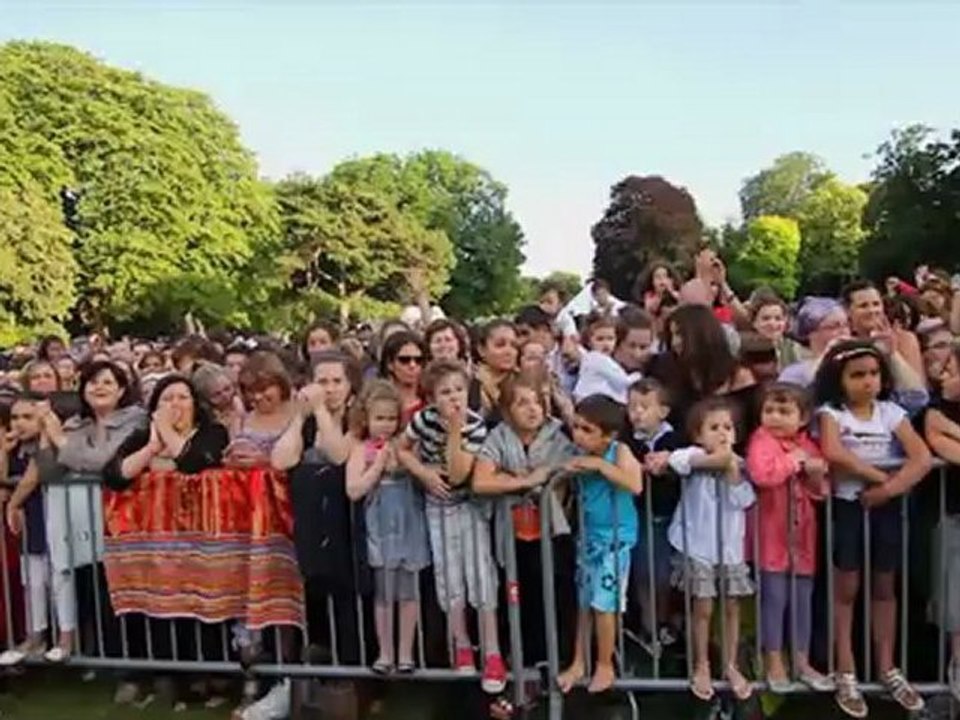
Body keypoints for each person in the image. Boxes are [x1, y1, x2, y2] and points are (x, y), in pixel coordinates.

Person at [815, 340, 931, 716]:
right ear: (840, 379)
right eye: (857, 375)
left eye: (873, 374)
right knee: (845, 587)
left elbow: (921, 457)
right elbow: (834, 452)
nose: (867, 382)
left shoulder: (891, 412)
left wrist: (888, 489)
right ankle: (845, 667)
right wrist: (874, 475)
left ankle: (887, 666)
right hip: (848, 506)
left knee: (884, 585)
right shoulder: (831, 413)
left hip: (885, 507)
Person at [102, 375, 229, 710]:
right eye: (167, 398)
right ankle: (171, 678)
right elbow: (115, 475)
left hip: (204, 537)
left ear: (195, 403)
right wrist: (151, 450)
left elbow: (194, 461)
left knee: (203, 605)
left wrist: (170, 445)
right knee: (163, 608)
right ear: (155, 407)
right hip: (157, 541)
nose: (176, 404)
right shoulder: (143, 435)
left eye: (183, 397)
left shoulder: (213, 433)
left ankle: (210, 678)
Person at [398, 360, 505, 694]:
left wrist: (456, 431)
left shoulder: (474, 425)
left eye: (459, 390)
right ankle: (461, 644)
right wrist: (422, 471)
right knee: (449, 579)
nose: (454, 398)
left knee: (480, 578)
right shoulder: (423, 420)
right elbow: (401, 448)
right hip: (437, 508)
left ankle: (492, 652)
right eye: (445, 393)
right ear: (431, 399)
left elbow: (459, 473)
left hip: (468, 507)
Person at [474, 374, 577, 670]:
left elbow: (566, 474)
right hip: (513, 533)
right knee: (520, 597)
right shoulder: (499, 437)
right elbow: (482, 482)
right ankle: (525, 663)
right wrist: (528, 480)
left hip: (553, 530)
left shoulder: (558, 434)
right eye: (522, 403)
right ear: (506, 411)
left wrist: (511, 477)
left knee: (556, 594)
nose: (532, 409)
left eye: (536, 402)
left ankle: (559, 660)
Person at [667, 397, 755, 702]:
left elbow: (744, 501)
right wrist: (722, 460)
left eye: (728, 427)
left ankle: (730, 664)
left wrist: (732, 470)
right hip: (697, 545)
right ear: (697, 434)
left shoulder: (741, 465)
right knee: (702, 606)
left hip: (730, 547)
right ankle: (701, 663)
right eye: (714, 427)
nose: (722, 433)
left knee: (731, 606)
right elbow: (677, 462)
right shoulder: (691, 454)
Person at [745, 383, 832, 693]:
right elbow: (762, 474)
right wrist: (794, 461)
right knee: (774, 600)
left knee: (801, 601)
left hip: (802, 538)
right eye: (769, 411)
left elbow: (821, 492)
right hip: (771, 537)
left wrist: (816, 475)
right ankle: (773, 661)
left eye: (785, 412)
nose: (775, 417)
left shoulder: (808, 444)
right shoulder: (761, 440)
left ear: (803, 417)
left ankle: (801, 660)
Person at [557, 394, 643, 695]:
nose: (578, 434)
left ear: (609, 434)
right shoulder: (574, 454)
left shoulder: (619, 451)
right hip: (589, 538)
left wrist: (599, 466)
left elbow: (635, 484)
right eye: (576, 427)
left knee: (604, 604)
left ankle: (605, 664)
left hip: (616, 540)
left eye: (587, 430)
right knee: (584, 603)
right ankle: (579, 660)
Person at [345, 380, 429, 676]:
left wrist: (407, 463)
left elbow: (423, 477)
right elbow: (354, 489)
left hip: (409, 525)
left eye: (392, 418)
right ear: (366, 418)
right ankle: (385, 652)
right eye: (379, 418)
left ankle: (405, 652)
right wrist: (378, 465)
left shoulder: (407, 446)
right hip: (380, 528)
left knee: (409, 593)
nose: (386, 425)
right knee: (384, 593)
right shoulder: (361, 450)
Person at [0, 393, 66, 667]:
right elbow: (2, 478)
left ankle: (65, 640)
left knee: (59, 581)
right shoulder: (14, 447)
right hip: (29, 524)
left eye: (28, 416)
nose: (20, 423)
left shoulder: (46, 444)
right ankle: (34, 636)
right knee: (32, 581)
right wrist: (3, 450)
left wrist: (13, 503)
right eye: (15, 417)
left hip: (49, 516)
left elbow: (34, 474)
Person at [625, 379, 681, 650]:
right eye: (632, 406)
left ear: (664, 411)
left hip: (671, 517)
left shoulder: (676, 440)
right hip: (639, 517)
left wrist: (671, 462)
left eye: (645, 406)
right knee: (643, 573)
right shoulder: (626, 443)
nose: (637, 412)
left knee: (666, 574)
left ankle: (665, 620)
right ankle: (649, 626)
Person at [778, 297, 851, 387]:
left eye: (846, 325)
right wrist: (826, 355)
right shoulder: (794, 373)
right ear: (811, 332)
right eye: (833, 327)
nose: (843, 332)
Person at [471, 320, 518, 423]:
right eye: (500, 345)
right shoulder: (470, 386)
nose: (508, 351)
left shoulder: (525, 381)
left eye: (514, 345)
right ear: (481, 350)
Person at [379, 331, 427, 427]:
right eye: (404, 360)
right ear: (390, 364)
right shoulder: (375, 402)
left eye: (418, 360)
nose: (412, 365)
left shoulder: (431, 403)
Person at [750, 291, 805, 370]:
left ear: (785, 322)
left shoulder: (795, 349)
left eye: (778, 318)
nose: (772, 323)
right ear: (754, 322)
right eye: (766, 318)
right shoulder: (746, 349)